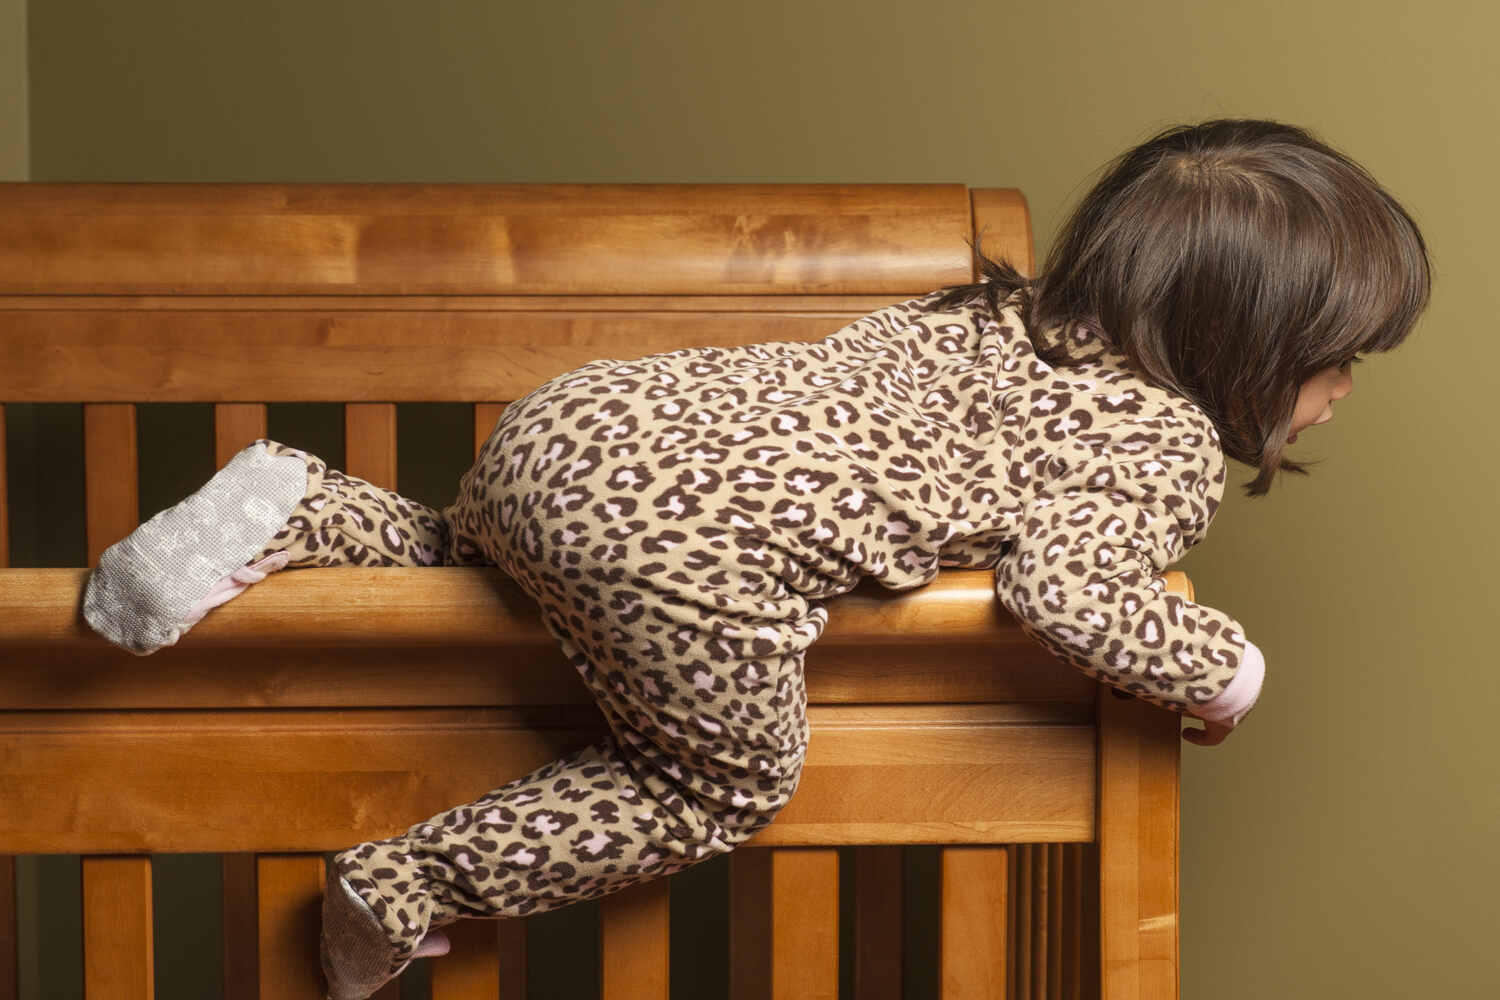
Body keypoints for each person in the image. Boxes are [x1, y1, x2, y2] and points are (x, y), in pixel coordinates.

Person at [79, 118, 1431, 999]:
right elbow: (1067, 595)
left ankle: (300, 505)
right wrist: (1221, 668)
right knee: (724, 780)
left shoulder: (982, 315)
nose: (1340, 395)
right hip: (679, 547)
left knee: (469, 562)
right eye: (1333, 364)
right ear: (1239, 354)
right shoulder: (1157, 445)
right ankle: (407, 880)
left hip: (571, 425)